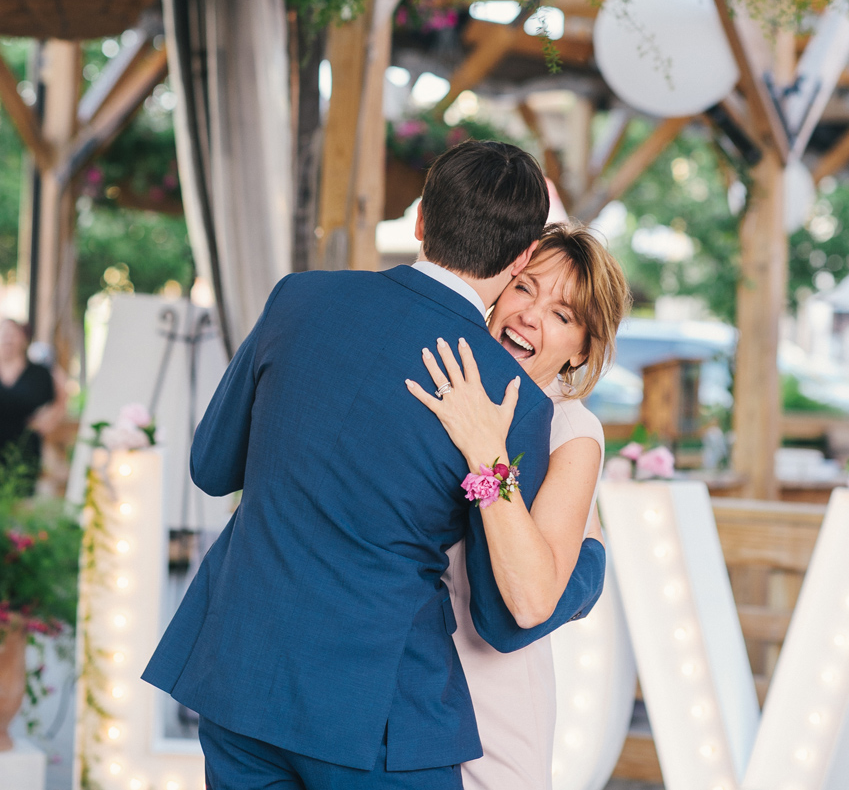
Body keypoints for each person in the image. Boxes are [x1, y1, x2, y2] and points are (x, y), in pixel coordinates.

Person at [143, 141, 607, 790]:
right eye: (530, 288)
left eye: (563, 314)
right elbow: (505, 616)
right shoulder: (505, 394)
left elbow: (211, 464)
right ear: (520, 256)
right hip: (375, 715)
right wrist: (589, 567)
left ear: (419, 220)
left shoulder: (297, 299)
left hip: (240, 675)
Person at [407, 223, 628, 790]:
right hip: (407, 694)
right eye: (526, 288)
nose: (532, 315)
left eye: (563, 314)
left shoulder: (571, 431)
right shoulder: (441, 379)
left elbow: (529, 601)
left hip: (495, 711)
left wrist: (488, 455)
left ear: (582, 348)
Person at [0, 318, 67, 494]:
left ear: (23, 338)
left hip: (25, 446)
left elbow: (60, 400)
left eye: (12, 334)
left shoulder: (40, 373)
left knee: (19, 501)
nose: (7, 339)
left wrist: (51, 419)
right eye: (3, 334)